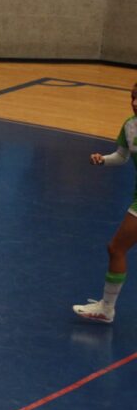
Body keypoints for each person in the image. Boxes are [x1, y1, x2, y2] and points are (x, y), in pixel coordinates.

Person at [72, 81, 137, 324]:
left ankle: (107, 308)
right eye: (132, 97)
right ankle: (106, 308)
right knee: (116, 249)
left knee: (116, 248)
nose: (135, 103)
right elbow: (122, 156)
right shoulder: (130, 126)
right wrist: (103, 160)